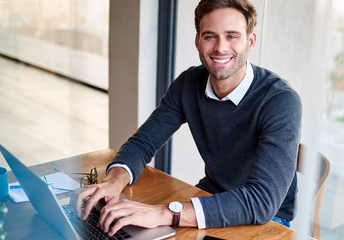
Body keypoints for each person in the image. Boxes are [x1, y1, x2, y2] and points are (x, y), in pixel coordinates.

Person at [71, 0, 302, 236]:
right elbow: (143, 142)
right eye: (210, 36)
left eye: (232, 36)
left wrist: (163, 213)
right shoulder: (188, 84)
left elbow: (260, 201)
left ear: (250, 42)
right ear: (198, 41)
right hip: (211, 196)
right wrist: (114, 181)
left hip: (267, 220)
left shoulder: (280, 101)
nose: (220, 47)